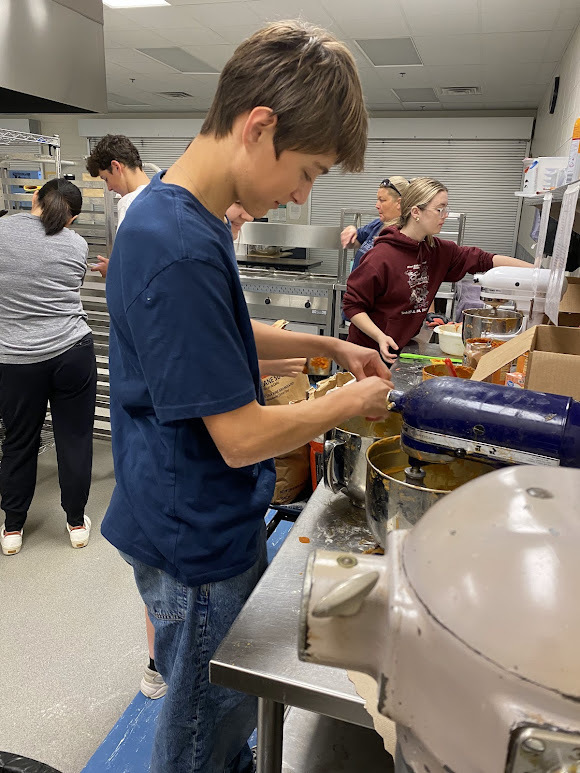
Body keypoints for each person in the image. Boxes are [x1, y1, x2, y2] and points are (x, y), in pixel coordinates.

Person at [102, 20, 392, 773]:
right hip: (194, 530)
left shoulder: (180, 215)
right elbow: (237, 435)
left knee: (215, 716)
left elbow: (223, 330)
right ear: (258, 126)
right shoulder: (178, 243)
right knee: (204, 729)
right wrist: (345, 403)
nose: (301, 192)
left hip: (186, 510)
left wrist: (324, 345)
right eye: (308, 170)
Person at [0, 180, 96, 556]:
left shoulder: (3, 230)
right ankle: (75, 524)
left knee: (19, 441)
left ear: (35, 197)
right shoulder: (76, 244)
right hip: (71, 351)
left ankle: (12, 529)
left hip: (16, 360)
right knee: (74, 438)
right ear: (72, 217)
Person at [343, 177, 534, 364]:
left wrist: (537, 272)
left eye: (446, 208)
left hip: (400, 350)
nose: (445, 215)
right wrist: (380, 336)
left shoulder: (437, 250)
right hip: (366, 353)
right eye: (439, 209)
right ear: (416, 212)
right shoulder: (381, 256)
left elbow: (484, 259)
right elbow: (353, 305)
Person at [86, 135, 151, 278]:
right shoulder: (161, 193)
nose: (108, 188)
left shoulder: (130, 204)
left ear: (116, 167)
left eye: (106, 179)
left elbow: (130, 270)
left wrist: (113, 270)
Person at [340, 175, 410, 272]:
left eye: (382, 200)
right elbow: (354, 242)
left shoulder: (407, 234)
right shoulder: (378, 224)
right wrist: (351, 231)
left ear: (399, 203)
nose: (376, 205)